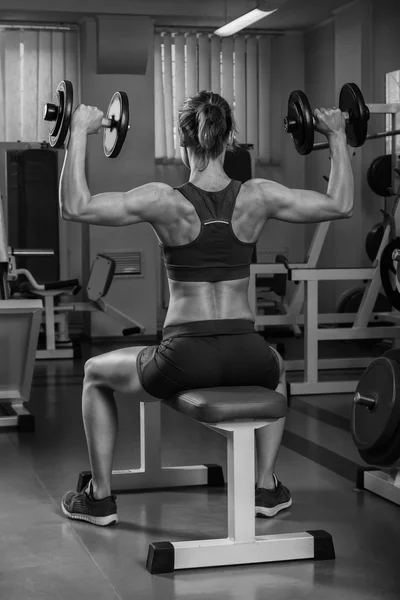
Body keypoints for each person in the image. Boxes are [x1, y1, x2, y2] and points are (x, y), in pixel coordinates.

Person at [60, 90, 354, 527]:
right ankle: (267, 486)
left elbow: (75, 207)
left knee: (94, 374)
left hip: (184, 357)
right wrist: (337, 136)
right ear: (229, 139)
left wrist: (78, 133)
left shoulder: (165, 200)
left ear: (184, 143)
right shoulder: (258, 196)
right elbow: (340, 204)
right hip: (246, 352)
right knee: (276, 367)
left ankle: (99, 498)